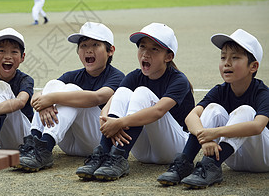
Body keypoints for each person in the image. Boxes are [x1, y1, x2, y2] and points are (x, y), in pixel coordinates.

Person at [76, 23, 194, 181]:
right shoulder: (134, 76)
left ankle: (119, 156)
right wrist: (106, 119)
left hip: (174, 148)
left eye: (154, 49)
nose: (145, 53)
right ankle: (103, 154)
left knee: (141, 92)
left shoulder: (178, 80)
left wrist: (119, 123)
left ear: (168, 56)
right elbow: (113, 101)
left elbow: (158, 111)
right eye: (142, 47)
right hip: (142, 153)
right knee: (123, 91)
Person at [157, 29, 269, 189]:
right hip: (233, 159)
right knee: (213, 109)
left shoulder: (262, 92)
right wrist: (206, 138)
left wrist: (216, 133)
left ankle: (211, 165)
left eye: (235, 57)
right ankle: (185, 163)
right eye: (223, 57)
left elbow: (258, 126)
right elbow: (191, 117)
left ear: (253, 66)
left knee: (245, 111)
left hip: (262, 159)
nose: (227, 63)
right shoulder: (220, 90)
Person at [17, 22, 125, 172]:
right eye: (83, 46)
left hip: (95, 141)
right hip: (67, 143)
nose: (88, 50)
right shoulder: (73, 75)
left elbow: (98, 97)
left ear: (110, 50)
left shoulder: (116, 76)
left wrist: (51, 99)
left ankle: (45, 147)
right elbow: (38, 95)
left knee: (71, 90)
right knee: (53, 84)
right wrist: (45, 102)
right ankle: (34, 143)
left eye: (95, 45)